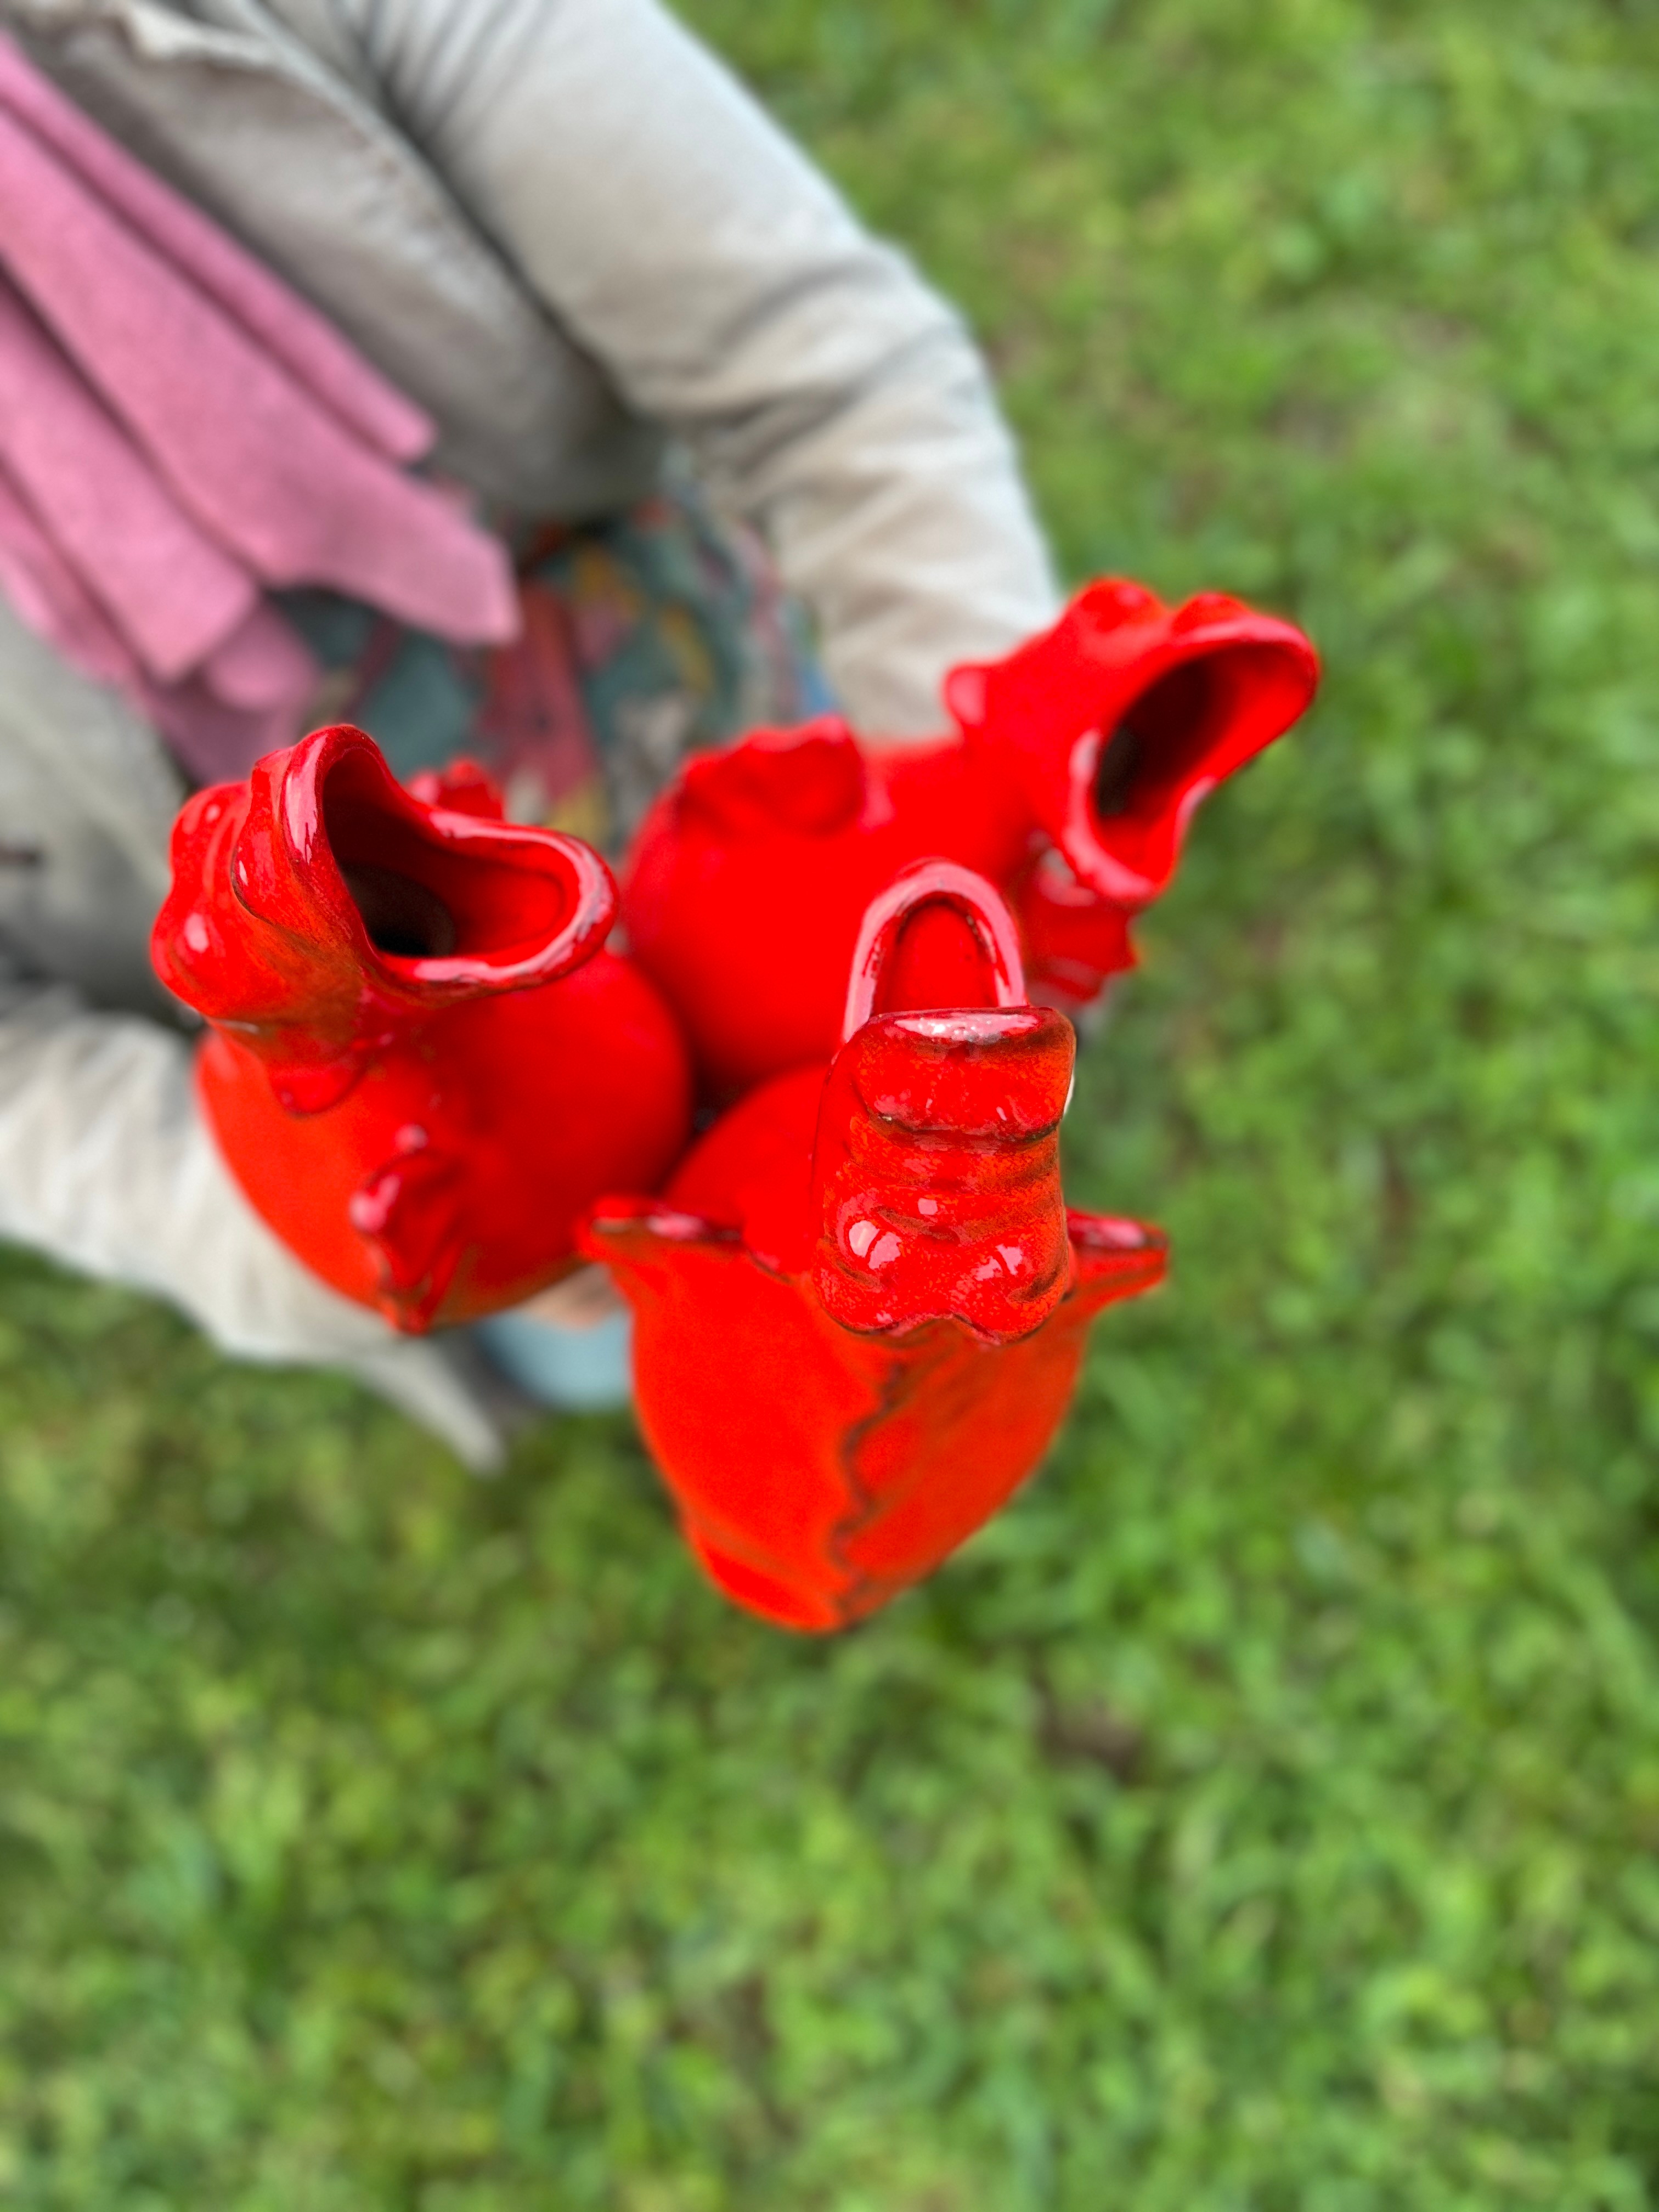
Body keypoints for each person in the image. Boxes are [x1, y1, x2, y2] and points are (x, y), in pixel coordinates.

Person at [0, 0, 1059, 1466]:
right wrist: (344, 1257)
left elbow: (832, 375)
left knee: (863, 1220)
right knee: (620, 1339)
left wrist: (975, 854)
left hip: (715, 754)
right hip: (414, 1117)